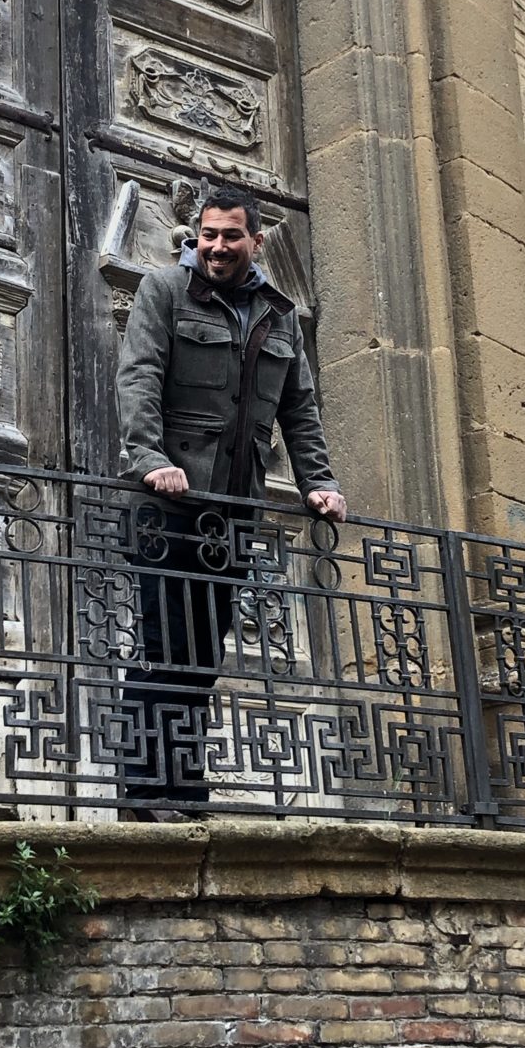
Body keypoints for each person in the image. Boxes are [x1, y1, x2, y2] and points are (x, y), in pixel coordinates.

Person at [113, 186, 346, 818]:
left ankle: (185, 792)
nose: (216, 247)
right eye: (208, 235)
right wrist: (150, 460)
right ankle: (145, 795)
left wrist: (318, 481)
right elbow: (139, 376)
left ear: (256, 241)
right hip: (169, 502)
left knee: (203, 653)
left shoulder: (279, 314)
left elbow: (299, 409)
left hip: (233, 510)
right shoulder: (164, 290)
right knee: (163, 645)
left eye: (230, 236)